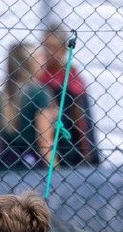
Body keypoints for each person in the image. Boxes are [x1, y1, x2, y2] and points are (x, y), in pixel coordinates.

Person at [38, 23, 100, 166]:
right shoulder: (39, 77)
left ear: (64, 49)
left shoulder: (72, 78)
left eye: (53, 47)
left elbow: (83, 121)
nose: (49, 52)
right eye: (46, 46)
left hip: (70, 148)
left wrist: (89, 154)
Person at [0, 43, 53, 170]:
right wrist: (55, 169)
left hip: (6, 164)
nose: (44, 61)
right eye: (40, 57)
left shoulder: (1, 97)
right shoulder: (39, 93)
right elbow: (44, 140)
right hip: (33, 164)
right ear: (30, 64)